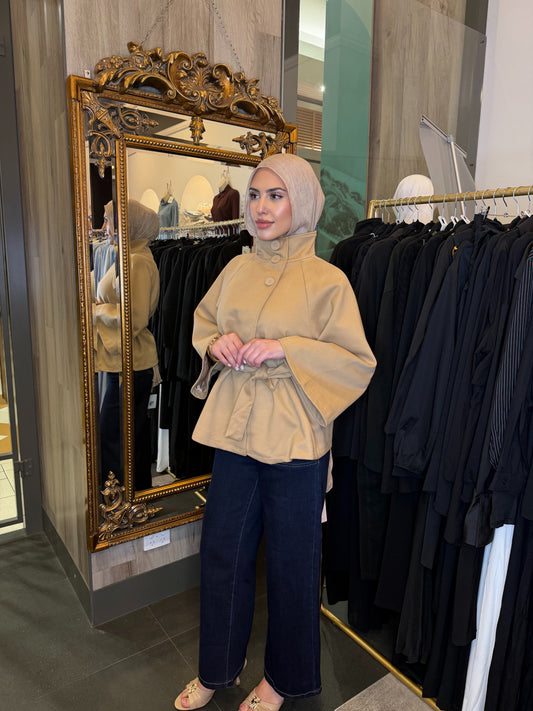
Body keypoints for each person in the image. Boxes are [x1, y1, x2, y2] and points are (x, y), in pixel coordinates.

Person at [174, 153, 376, 710]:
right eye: (255, 195)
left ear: (301, 202)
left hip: (294, 436)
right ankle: (217, 668)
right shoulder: (234, 270)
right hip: (236, 430)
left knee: (292, 564)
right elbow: (204, 322)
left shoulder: (329, 281)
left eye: (276, 195)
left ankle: (283, 680)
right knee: (222, 552)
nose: (261, 208)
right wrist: (215, 344)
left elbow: (357, 362)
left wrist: (287, 349)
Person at [93, 199, 161, 492]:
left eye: (109, 220)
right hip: (122, 360)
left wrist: (95, 312)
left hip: (131, 363)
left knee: (115, 436)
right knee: (129, 436)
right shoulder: (128, 256)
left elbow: (134, 318)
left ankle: (119, 501)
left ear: (127, 224)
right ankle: (134, 496)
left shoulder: (137, 261)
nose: (104, 227)